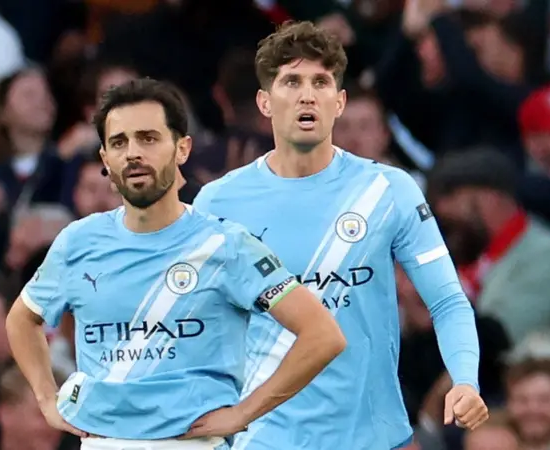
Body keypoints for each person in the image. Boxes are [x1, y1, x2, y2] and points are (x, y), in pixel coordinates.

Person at [5, 78, 346, 450]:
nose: (133, 153)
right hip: (102, 442)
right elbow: (22, 318)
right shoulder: (77, 241)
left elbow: (322, 335)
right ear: (105, 159)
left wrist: (244, 413)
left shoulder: (225, 244)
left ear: (182, 148)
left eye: (148, 138)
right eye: (119, 142)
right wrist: (46, 398)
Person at [193, 21, 488, 450]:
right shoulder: (218, 202)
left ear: (339, 101)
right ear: (264, 102)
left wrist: (464, 378)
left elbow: (447, 300)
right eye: (291, 82)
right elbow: (197, 324)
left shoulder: (389, 190)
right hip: (264, 440)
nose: (307, 95)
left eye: (321, 82)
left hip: (374, 437)